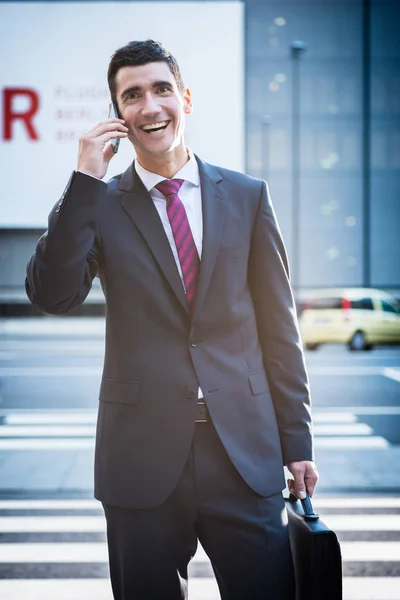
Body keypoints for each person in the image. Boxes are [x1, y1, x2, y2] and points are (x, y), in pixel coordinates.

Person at [26, 39, 318, 600]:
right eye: (131, 96)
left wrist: (296, 440)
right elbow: (52, 294)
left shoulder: (247, 196)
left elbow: (279, 327)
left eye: (161, 89)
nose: (150, 105)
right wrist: (84, 178)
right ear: (118, 116)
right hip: (140, 460)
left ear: (184, 97)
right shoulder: (98, 203)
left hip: (244, 454)